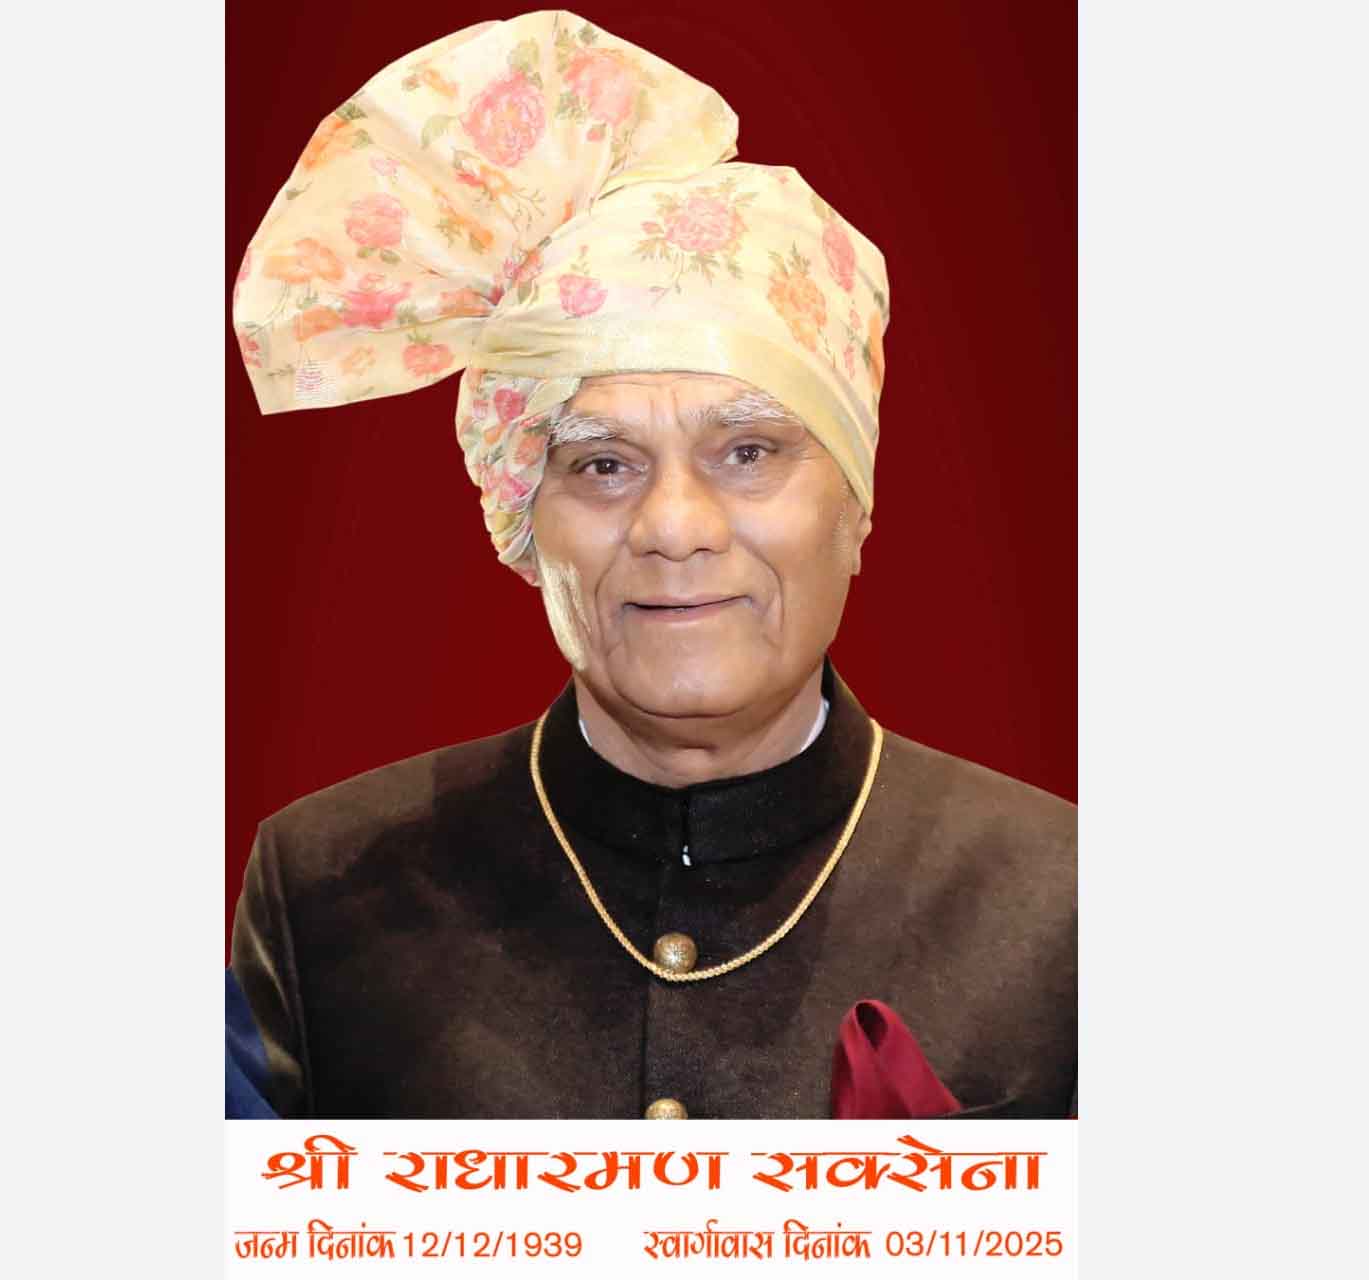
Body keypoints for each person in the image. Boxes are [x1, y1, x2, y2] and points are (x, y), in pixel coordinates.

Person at [227, 10, 1075, 1120]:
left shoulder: (1065, 906)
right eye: (603, 464)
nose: (675, 526)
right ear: (523, 525)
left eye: (749, 452)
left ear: (855, 505)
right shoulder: (328, 888)